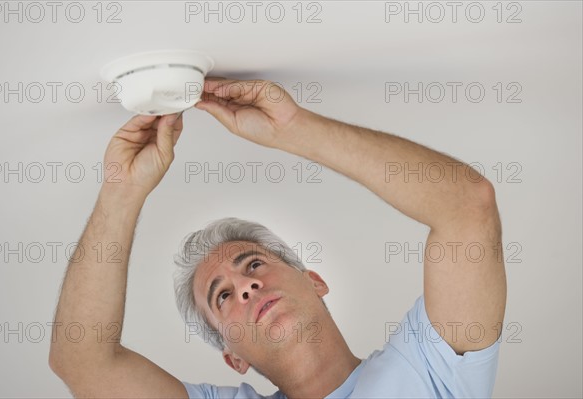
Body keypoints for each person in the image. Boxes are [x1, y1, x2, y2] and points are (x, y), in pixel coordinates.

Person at [49, 78, 507, 398]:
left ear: (315, 281)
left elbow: (467, 207)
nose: (246, 286)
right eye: (223, 296)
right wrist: (121, 191)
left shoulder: (428, 368)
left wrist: (294, 129)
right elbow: (84, 363)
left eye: (253, 265)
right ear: (233, 358)